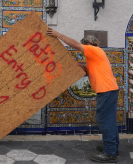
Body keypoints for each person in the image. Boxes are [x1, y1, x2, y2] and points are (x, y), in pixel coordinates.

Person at [47, 28, 119, 163]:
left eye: (85, 46)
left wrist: (57, 35)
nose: (84, 49)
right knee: (109, 120)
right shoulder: (96, 55)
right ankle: (113, 148)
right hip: (109, 90)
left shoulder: (94, 50)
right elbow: (90, 71)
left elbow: (75, 44)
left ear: (90, 43)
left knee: (105, 121)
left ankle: (110, 153)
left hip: (106, 91)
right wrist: (82, 67)